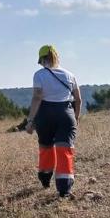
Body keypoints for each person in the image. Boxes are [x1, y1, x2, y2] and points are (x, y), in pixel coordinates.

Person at [25, 45, 82, 197]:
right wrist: (75, 117)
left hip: (45, 115)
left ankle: (44, 178)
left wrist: (30, 120)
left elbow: (37, 97)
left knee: (46, 148)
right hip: (66, 114)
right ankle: (64, 189)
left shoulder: (39, 75)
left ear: (43, 59)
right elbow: (78, 99)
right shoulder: (70, 75)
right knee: (64, 150)